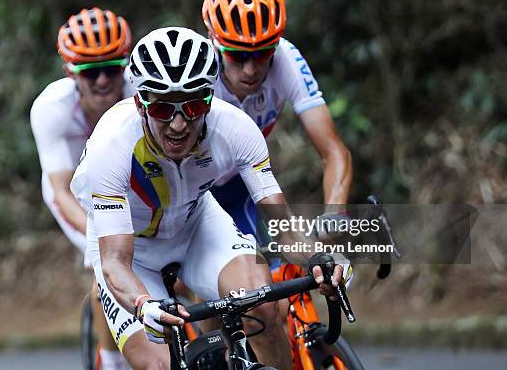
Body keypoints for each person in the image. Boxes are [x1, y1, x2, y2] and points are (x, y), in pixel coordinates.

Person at [71, 26, 347, 369]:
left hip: (197, 226)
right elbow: (114, 262)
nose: (178, 124)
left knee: (262, 305)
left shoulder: (235, 128)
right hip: (133, 253)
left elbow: (284, 226)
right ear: (141, 104)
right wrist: (143, 304)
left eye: (193, 105)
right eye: (162, 109)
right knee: (160, 365)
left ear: (210, 97)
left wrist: (318, 259)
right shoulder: (111, 146)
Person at [202, 0, 353, 245]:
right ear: (214, 41)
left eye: (262, 54)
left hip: (239, 184)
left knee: (267, 275)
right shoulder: (198, 69)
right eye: (237, 56)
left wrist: (335, 212)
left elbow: (334, 152)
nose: (250, 69)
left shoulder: (287, 59)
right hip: (188, 189)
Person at [30, 7, 134, 370]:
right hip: (74, 195)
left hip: (130, 184)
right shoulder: (51, 108)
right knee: (106, 266)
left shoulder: (143, 92)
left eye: (112, 68)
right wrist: (102, 238)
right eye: (91, 72)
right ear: (70, 72)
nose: (103, 80)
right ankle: (111, 361)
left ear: (126, 64)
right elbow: (61, 190)